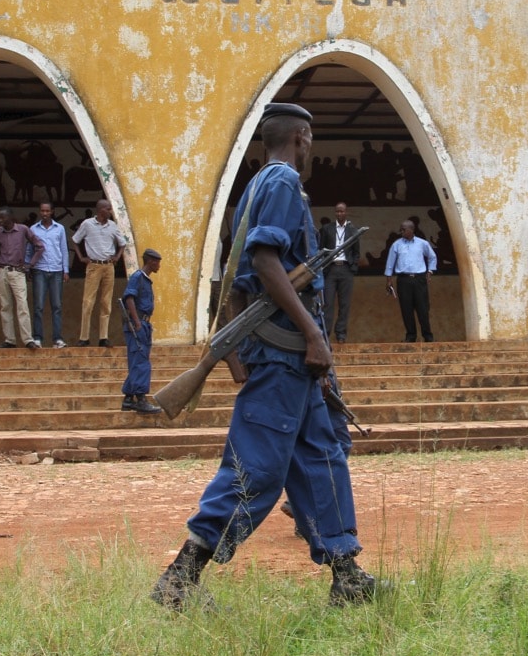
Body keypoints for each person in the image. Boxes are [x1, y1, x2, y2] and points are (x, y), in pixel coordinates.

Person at [152, 102, 378, 610]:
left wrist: (248, 351)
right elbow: (264, 261)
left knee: (322, 459)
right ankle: (180, 579)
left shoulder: (256, 187)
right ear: (301, 137)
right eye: (310, 141)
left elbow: (238, 283)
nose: (310, 149)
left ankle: (347, 576)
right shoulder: (280, 185)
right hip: (285, 357)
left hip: (292, 360)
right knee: (255, 469)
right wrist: (312, 336)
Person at [71, 198, 127, 348]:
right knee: (88, 302)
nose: (110, 212)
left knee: (106, 302)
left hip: (109, 266)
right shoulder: (87, 224)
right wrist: (81, 257)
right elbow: (75, 240)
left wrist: (117, 256)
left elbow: (122, 244)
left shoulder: (112, 226)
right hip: (94, 265)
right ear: (100, 210)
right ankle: (84, 337)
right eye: (108, 209)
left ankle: (104, 337)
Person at [0, 207, 43, 349]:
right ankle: (10, 339)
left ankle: (27, 339)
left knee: (22, 306)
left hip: (18, 271)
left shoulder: (23, 229)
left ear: (11, 218)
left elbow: (39, 246)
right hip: (2, 271)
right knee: (5, 306)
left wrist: (29, 265)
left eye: (3, 218)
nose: (0, 221)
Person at [120, 249, 163, 414]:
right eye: (157, 262)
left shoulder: (146, 279)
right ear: (151, 261)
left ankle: (129, 398)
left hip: (144, 324)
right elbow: (129, 298)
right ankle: (141, 398)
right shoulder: (138, 277)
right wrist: (137, 323)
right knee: (141, 362)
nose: (159, 265)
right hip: (138, 324)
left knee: (139, 359)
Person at [384, 219, 437, 342]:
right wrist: (388, 280)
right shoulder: (396, 244)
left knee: (423, 308)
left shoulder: (422, 243)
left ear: (411, 230)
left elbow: (432, 257)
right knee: (406, 308)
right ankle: (411, 335)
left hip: (419, 279)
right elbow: (390, 263)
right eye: (400, 229)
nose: (401, 231)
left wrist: (430, 271)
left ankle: (427, 335)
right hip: (403, 280)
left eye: (404, 229)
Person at [29, 202, 69, 348]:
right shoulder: (33, 229)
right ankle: (38, 338)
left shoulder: (60, 229)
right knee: (38, 306)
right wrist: (29, 267)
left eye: (47, 211)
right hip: (39, 270)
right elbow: (29, 249)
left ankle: (57, 339)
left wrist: (66, 270)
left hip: (56, 270)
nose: (44, 213)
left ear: (52, 211)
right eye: (42, 211)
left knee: (57, 306)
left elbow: (64, 249)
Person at [319, 202, 360, 343]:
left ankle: (341, 334)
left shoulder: (353, 230)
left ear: (346, 212)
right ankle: (325, 333)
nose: (339, 214)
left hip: (346, 269)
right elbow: (321, 250)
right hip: (330, 269)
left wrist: (353, 267)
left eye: (342, 211)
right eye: (337, 211)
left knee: (344, 304)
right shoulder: (327, 229)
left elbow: (356, 252)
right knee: (328, 304)